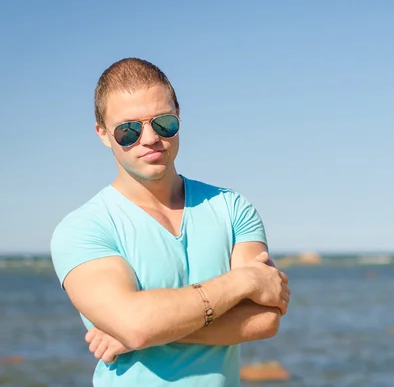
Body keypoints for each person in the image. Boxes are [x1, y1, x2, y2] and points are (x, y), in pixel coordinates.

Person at [50, 57, 290, 387]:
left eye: (163, 123)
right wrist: (243, 281)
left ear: (178, 117)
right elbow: (136, 325)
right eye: (128, 130)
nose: (149, 138)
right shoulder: (83, 228)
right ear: (103, 134)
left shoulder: (231, 207)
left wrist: (147, 332)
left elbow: (264, 320)